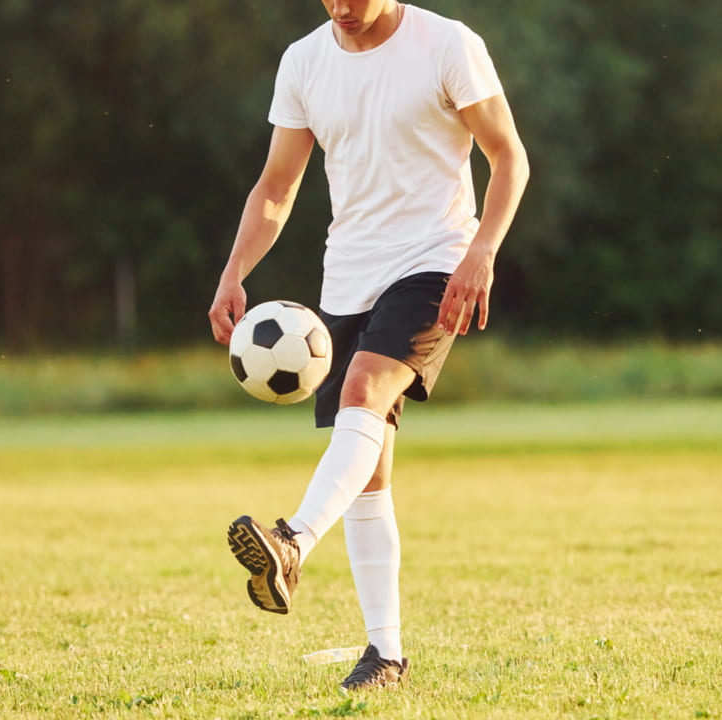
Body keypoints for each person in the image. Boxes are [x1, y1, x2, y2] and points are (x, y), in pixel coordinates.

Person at [207, 0, 528, 691]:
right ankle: (385, 655)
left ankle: (291, 543)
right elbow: (276, 185)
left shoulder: (447, 44)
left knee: (363, 391)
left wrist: (482, 253)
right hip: (346, 280)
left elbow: (509, 158)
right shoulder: (304, 61)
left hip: (435, 263)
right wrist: (235, 270)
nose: (341, 7)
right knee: (368, 473)